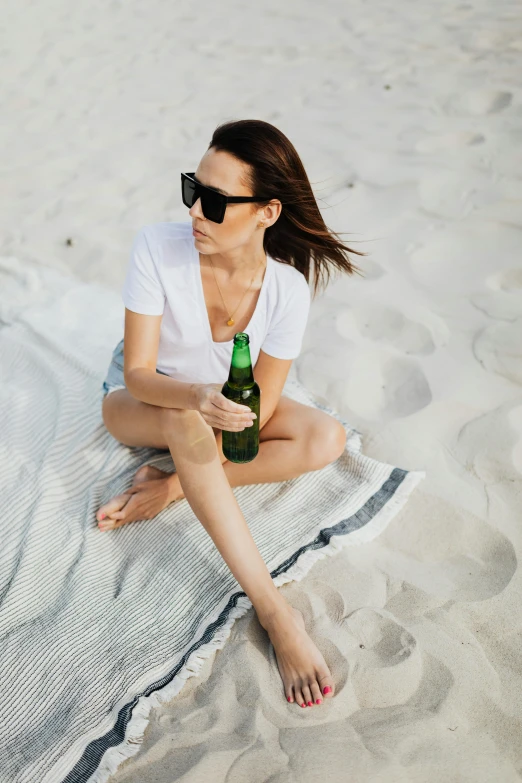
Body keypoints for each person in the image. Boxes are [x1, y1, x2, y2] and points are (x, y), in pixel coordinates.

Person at [98, 118, 366, 710]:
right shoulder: (156, 246)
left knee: (324, 436)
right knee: (183, 419)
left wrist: (181, 477)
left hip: (215, 404)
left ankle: (171, 488)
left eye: (215, 202)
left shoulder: (287, 290)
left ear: (267, 212)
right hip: (136, 398)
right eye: (194, 190)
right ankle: (274, 610)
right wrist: (194, 399)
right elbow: (141, 372)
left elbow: (262, 404)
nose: (196, 211)